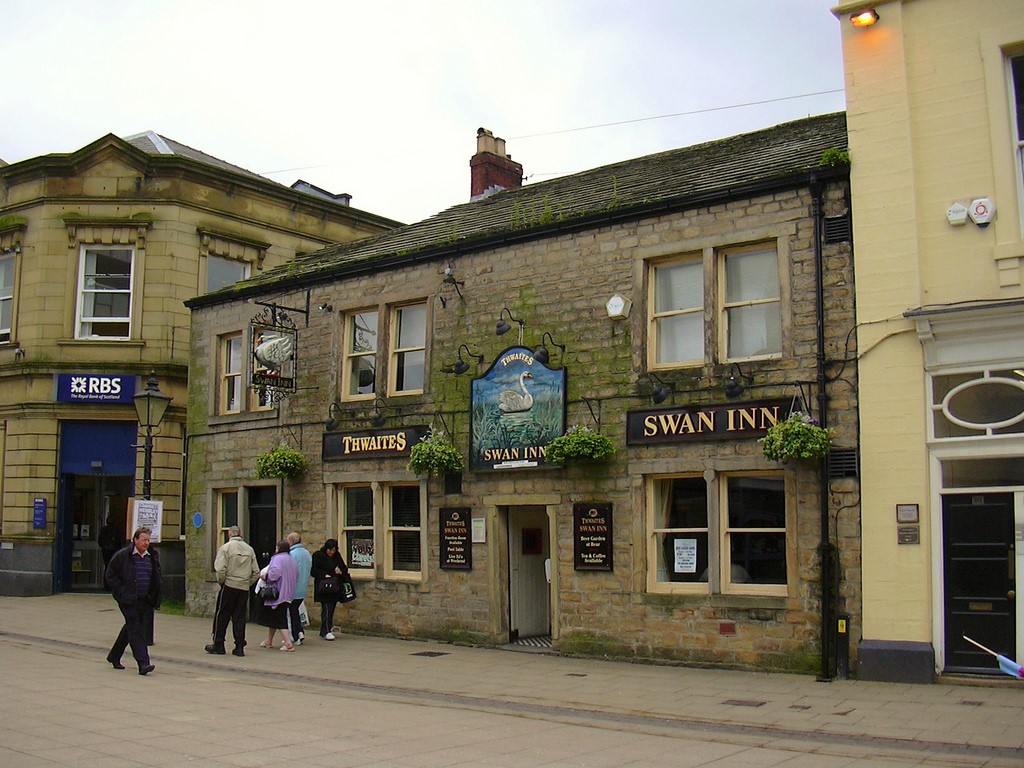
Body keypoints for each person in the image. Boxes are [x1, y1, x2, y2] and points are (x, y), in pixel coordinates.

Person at [105, 526, 162, 675]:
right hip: (127, 599)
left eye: (148, 540)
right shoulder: (123, 556)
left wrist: (154, 596)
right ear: (135, 540)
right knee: (136, 629)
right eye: (143, 540)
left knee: (130, 628)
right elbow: (110, 575)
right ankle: (144, 663)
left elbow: (156, 577)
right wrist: (122, 592)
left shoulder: (152, 556)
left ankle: (114, 655)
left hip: (144, 599)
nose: (146, 543)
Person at [205, 525, 260, 657]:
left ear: (229, 534)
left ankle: (219, 643)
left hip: (229, 584)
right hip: (243, 587)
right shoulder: (249, 549)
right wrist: (247, 583)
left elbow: (220, 569)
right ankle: (239, 646)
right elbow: (256, 572)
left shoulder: (226, 548)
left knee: (222, 615)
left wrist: (222, 581)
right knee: (239, 617)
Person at [256, 539, 298, 651]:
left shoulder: (277, 558)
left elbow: (274, 574)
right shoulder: (291, 560)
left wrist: (266, 576)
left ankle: (288, 643)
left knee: (280, 619)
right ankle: (269, 640)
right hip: (289, 592)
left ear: (279, 548)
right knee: (273, 618)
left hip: (278, 594)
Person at [311, 538, 349, 640]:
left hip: (335, 586)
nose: (331, 552)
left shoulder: (337, 557)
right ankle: (326, 630)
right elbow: (314, 571)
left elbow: (344, 568)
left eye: (333, 550)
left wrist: (340, 571)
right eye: (330, 550)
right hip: (324, 586)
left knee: (331, 608)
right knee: (327, 608)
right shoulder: (318, 556)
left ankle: (325, 629)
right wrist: (324, 575)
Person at [286, 531, 312, 646]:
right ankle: (300, 632)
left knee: (292, 612)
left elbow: (290, 572)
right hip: (303, 587)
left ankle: (295, 635)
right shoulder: (306, 553)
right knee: (295, 611)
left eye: (288, 540)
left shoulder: (292, 554)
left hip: (293, 588)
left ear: (291, 541)